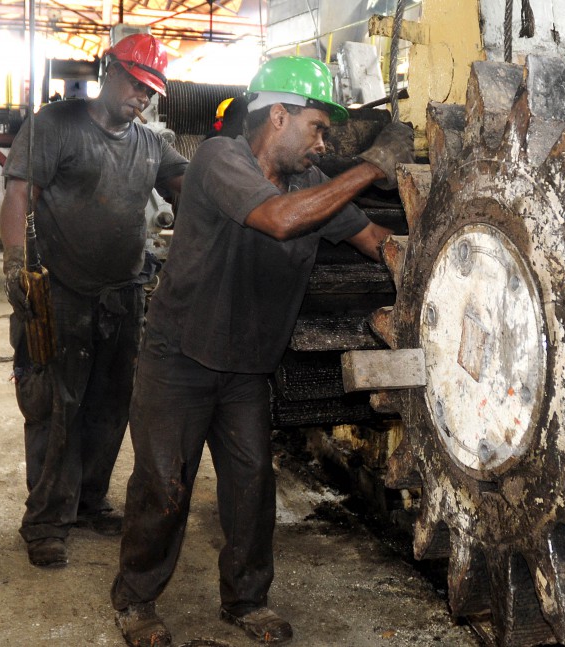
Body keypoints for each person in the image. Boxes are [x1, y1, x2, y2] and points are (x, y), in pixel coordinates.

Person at [109, 56, 413, 647]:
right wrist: (371, 167)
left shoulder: (309, 185)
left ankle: (246, 600)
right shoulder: (220, 160)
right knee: (164, 486)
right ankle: (136, 598)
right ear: (278, 115)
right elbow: (276, 220)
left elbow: (373, 239)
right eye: (317, 128)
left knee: (251, 488)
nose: (323, 143)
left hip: (246, 368)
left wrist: (438, 267)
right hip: (180, 358)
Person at [0, 32, 187, 569]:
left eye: (150, 90)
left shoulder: (150, 143)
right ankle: (45, 522)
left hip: (122, 296)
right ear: (109, 70)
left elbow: (193, 186)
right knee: (56, 407)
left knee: (110, 405)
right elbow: (19, 193)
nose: (141, 96)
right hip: (60, 293)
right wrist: (16, 264)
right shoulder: (55, 125)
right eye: (135, 83)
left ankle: (87, 502)